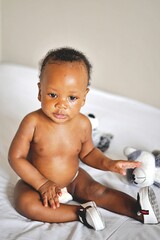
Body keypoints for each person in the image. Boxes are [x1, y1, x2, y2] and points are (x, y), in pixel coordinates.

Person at [8, 47, 160, 230]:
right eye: (53, 94)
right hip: (35, 183)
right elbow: (16, 157)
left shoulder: (82, 124)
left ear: (84, 98)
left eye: (72, 97)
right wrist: (42, 184)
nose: (61, 105)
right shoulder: (32, 122)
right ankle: (80, 213)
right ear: (40, 91)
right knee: (25, 203)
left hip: (73, 179)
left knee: (98, 190)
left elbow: (88, 153)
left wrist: (109, 164)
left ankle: (138, 210)